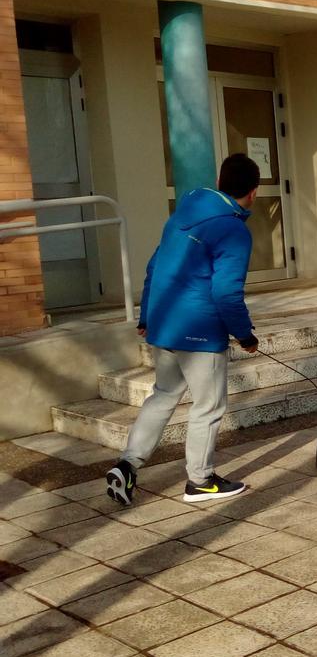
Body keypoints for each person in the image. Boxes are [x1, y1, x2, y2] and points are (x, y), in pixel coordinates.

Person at [105, 154, 261, 506]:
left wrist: (147, 317)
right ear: (254, 192)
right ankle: (200, 482)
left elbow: (153, 266)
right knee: (208, 406)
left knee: (163, 396)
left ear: (220, 182)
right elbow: (226, 292)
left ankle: (127, 464)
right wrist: (245, 335)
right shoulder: (233, 229)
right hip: (200, 333)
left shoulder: (182, 214)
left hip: (165, 324)